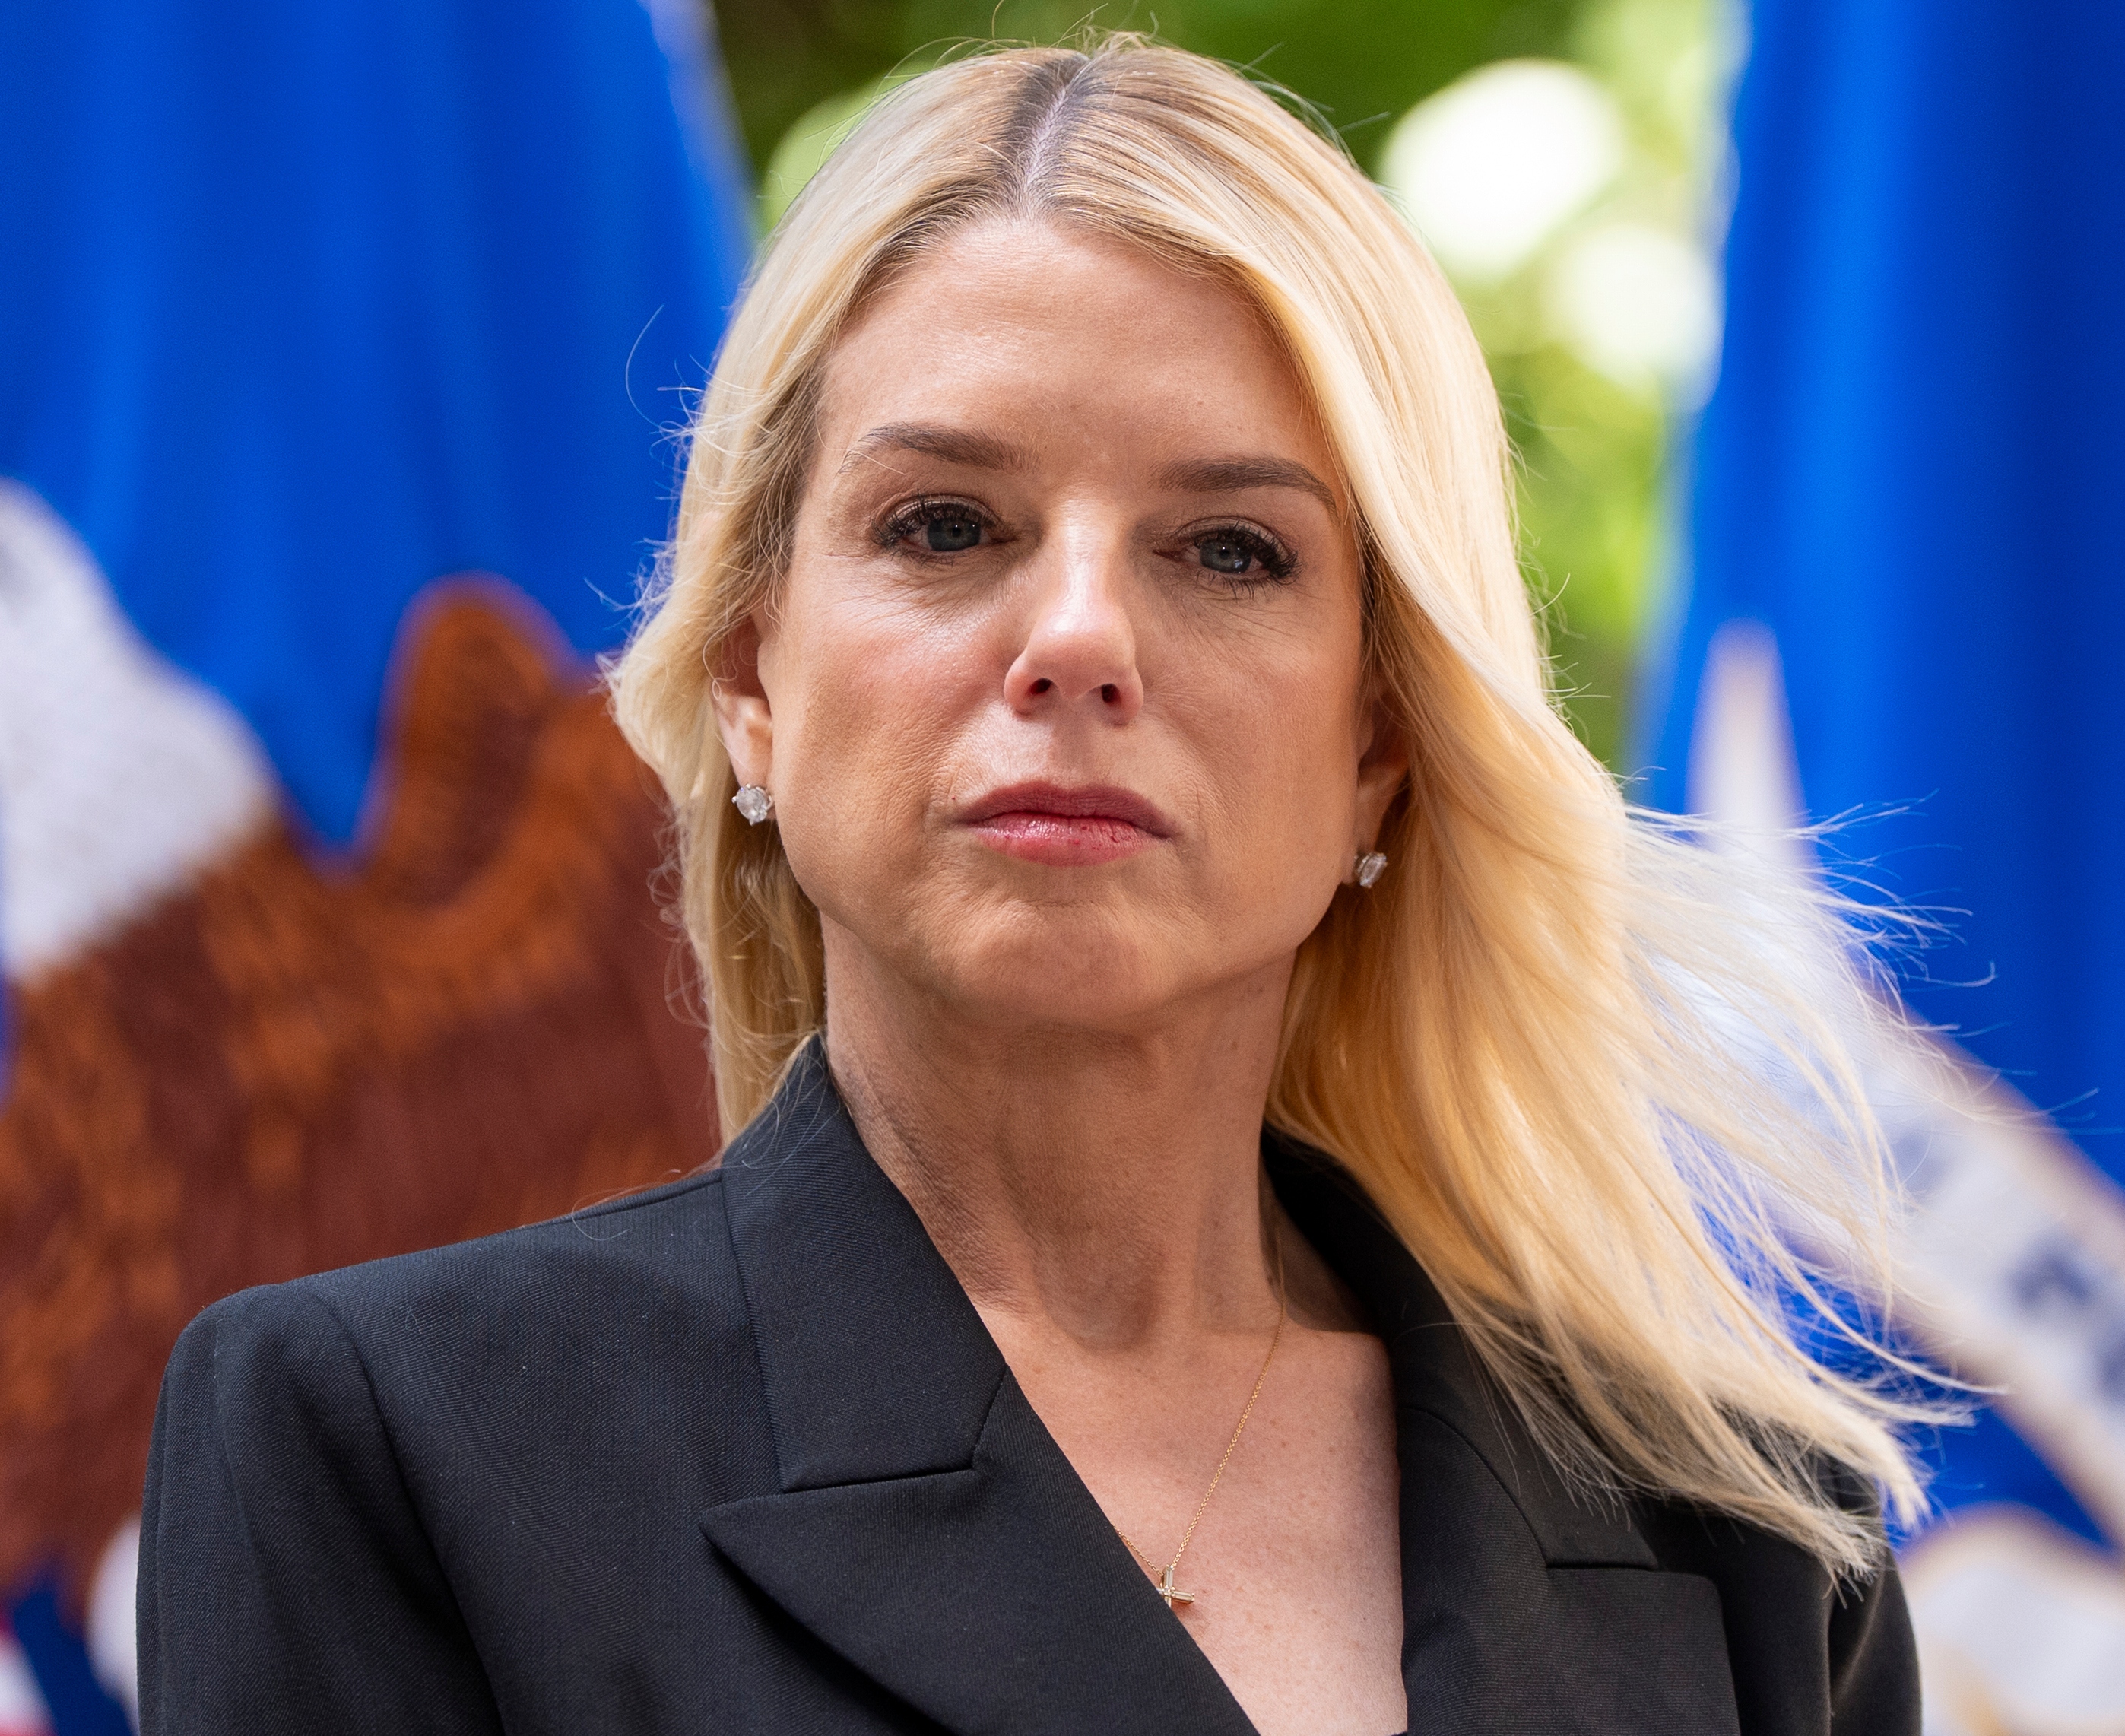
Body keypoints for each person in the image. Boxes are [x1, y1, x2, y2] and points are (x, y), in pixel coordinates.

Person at [139, 35, 1935, 1735]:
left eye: (1229, 549)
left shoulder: (1752, 1543)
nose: (1078, 638)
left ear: (1379, 741)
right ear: (753, 680)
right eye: (944, 526)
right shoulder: (391, 1444)